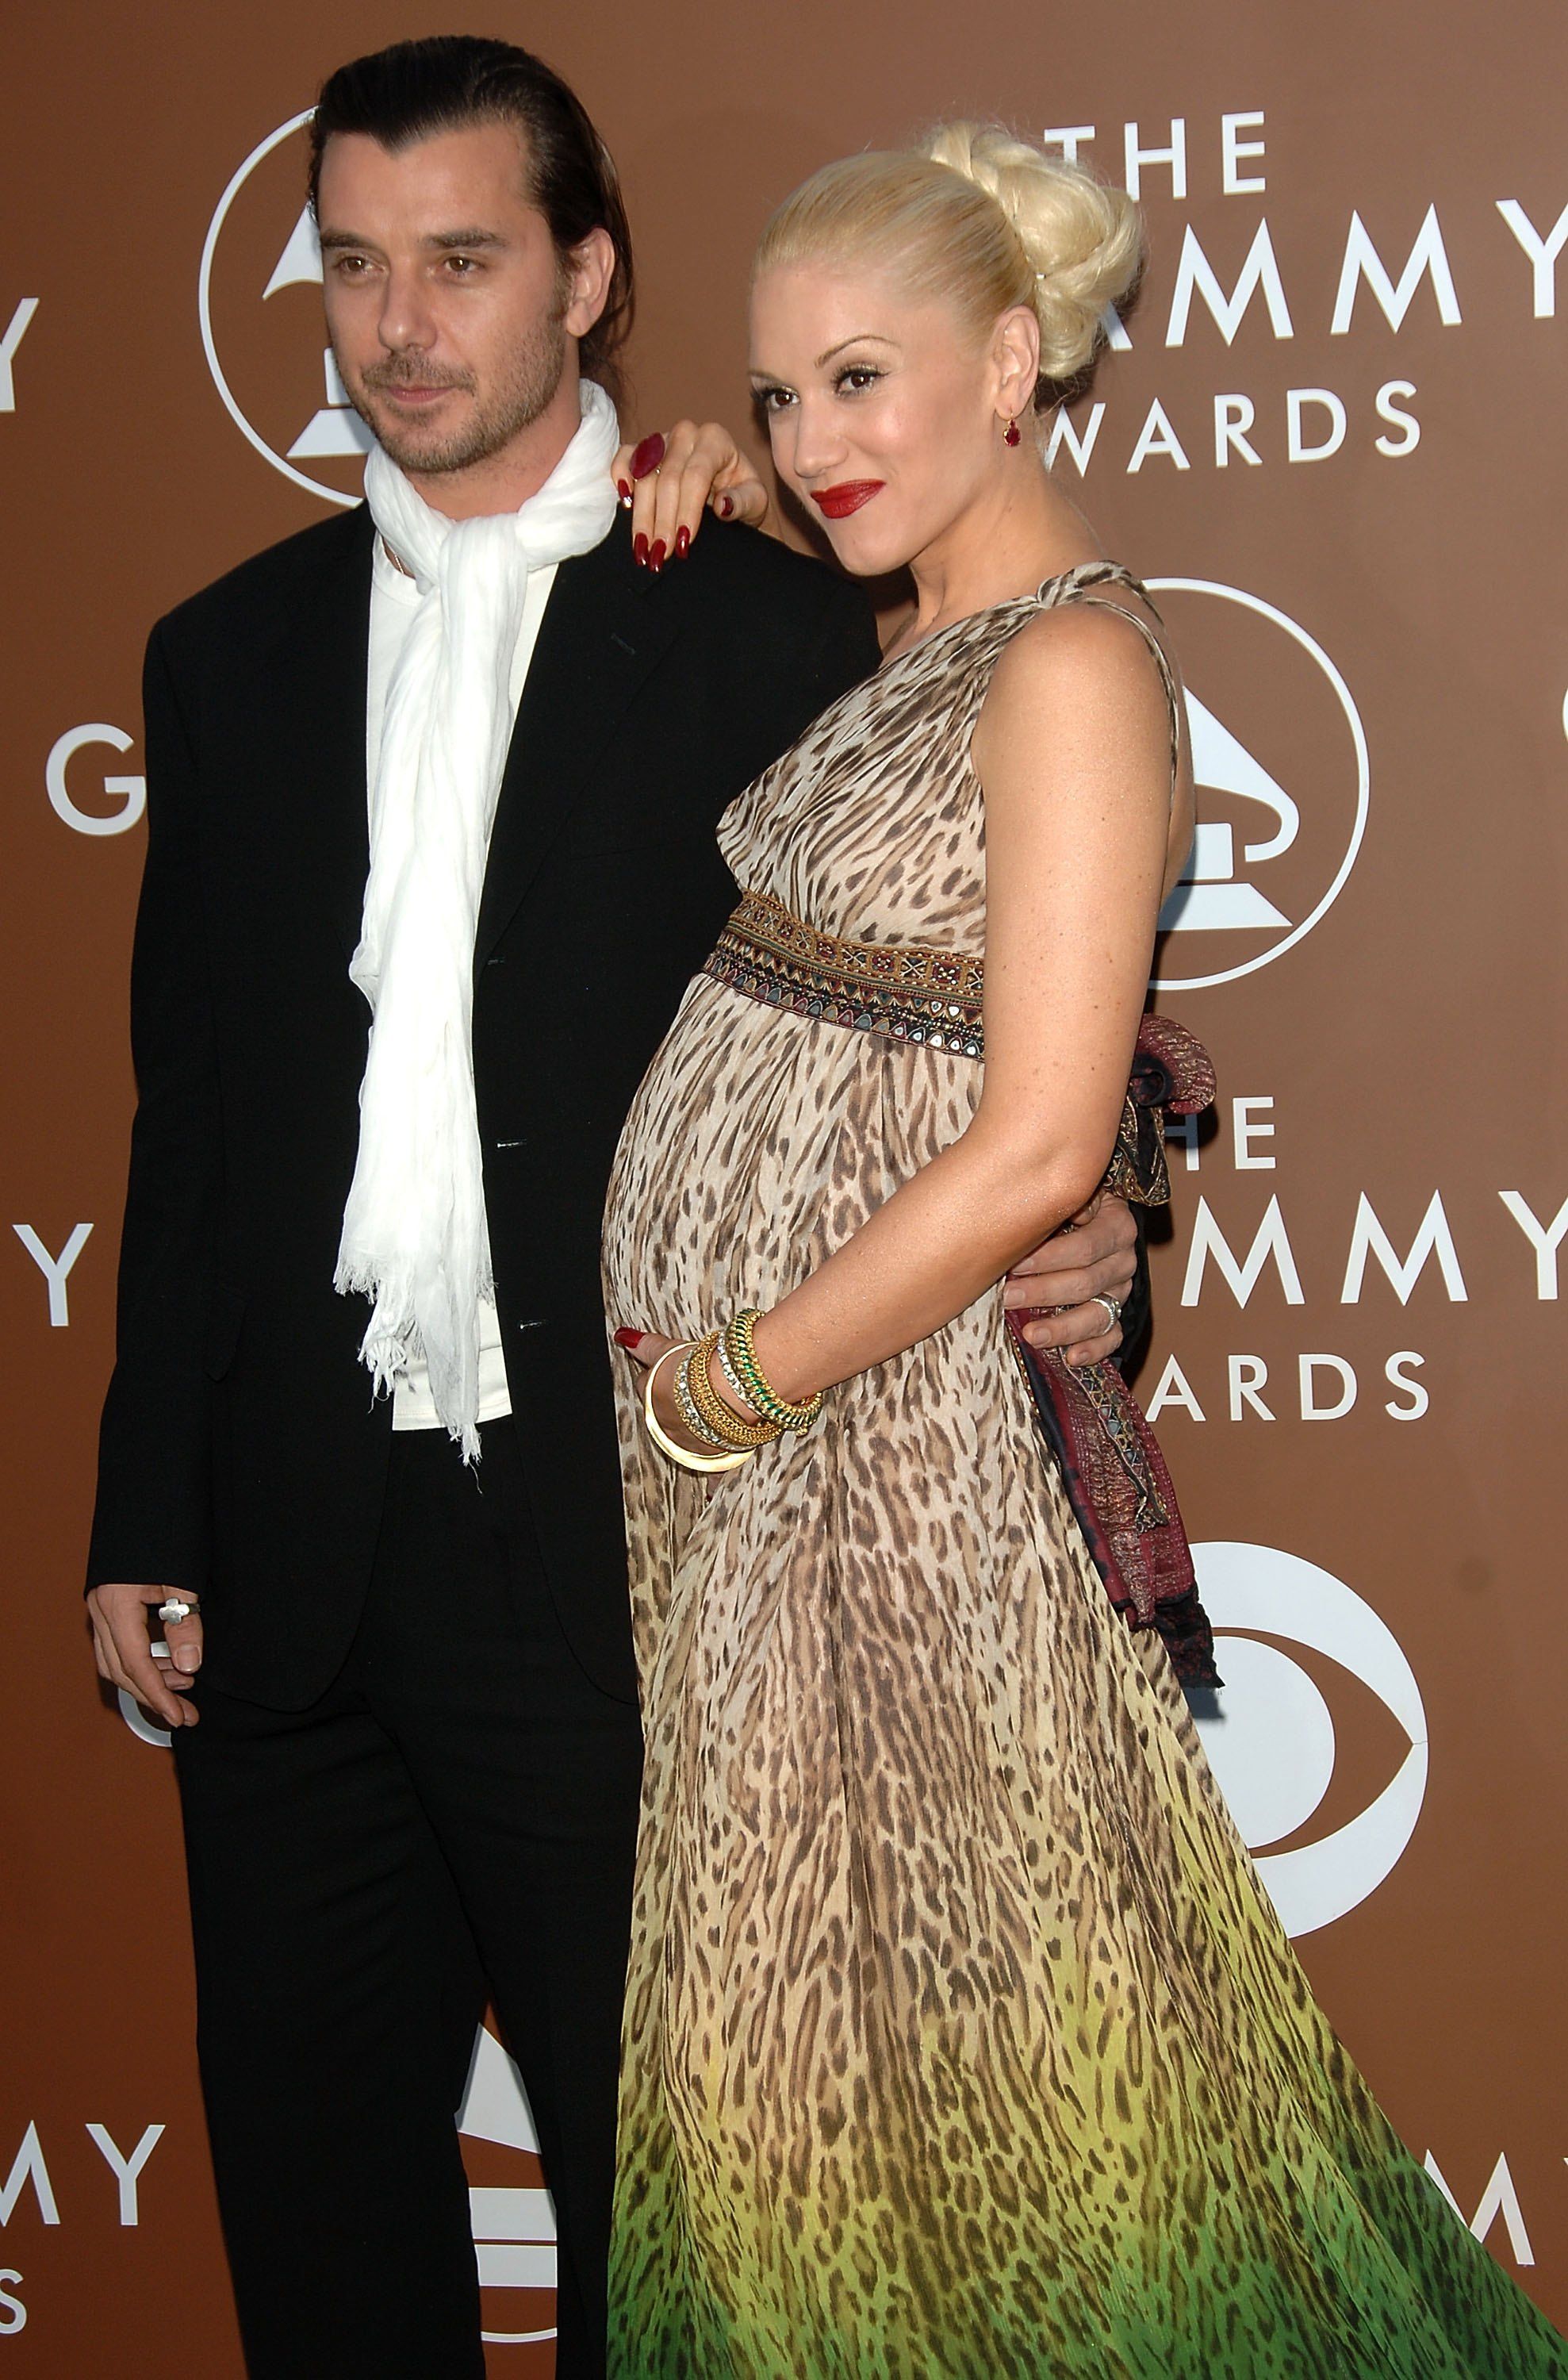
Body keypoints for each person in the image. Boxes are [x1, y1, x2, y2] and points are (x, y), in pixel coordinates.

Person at [80, 40, 1138, 2379]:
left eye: (460, 259)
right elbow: (198, 1111)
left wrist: (1096, 1219)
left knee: (688, 2254)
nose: (399, 323)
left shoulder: (780, 624)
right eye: (352, 267)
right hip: (286, 1574)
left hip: (644, 1557)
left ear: (589, 277)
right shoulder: (220, 654)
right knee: (321, 2232)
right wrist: (146, 1494)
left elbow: (989, 1000)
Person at [604, 127, 1568, 2375]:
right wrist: (716, 477)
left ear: (1012, 359)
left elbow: (1042, 1140)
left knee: (1004, 2096)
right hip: (765, 1485)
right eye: (777, 397)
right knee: (823, 2098)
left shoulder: (1070, 672)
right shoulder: (928, 624)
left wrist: (721, 1387)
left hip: (873, 1465)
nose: (812, 441)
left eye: (863, 381)